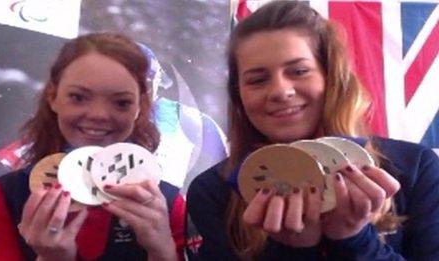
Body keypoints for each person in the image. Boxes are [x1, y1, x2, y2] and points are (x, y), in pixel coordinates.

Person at [186, 1, 439, 260]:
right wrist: (294, 250)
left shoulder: (416, 168)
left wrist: (352, 240)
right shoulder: (214, 190)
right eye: (258, 80)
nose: (281, 91)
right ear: (238, 96)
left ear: (331, 78)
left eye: (299, 71)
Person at [0, 33, 185, 261]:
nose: (98, 115)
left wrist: (162, 252)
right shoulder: (3, 197)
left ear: (140, 107)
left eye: (121, 102)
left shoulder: (167, 203)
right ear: (53, 97)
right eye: (78, 97)